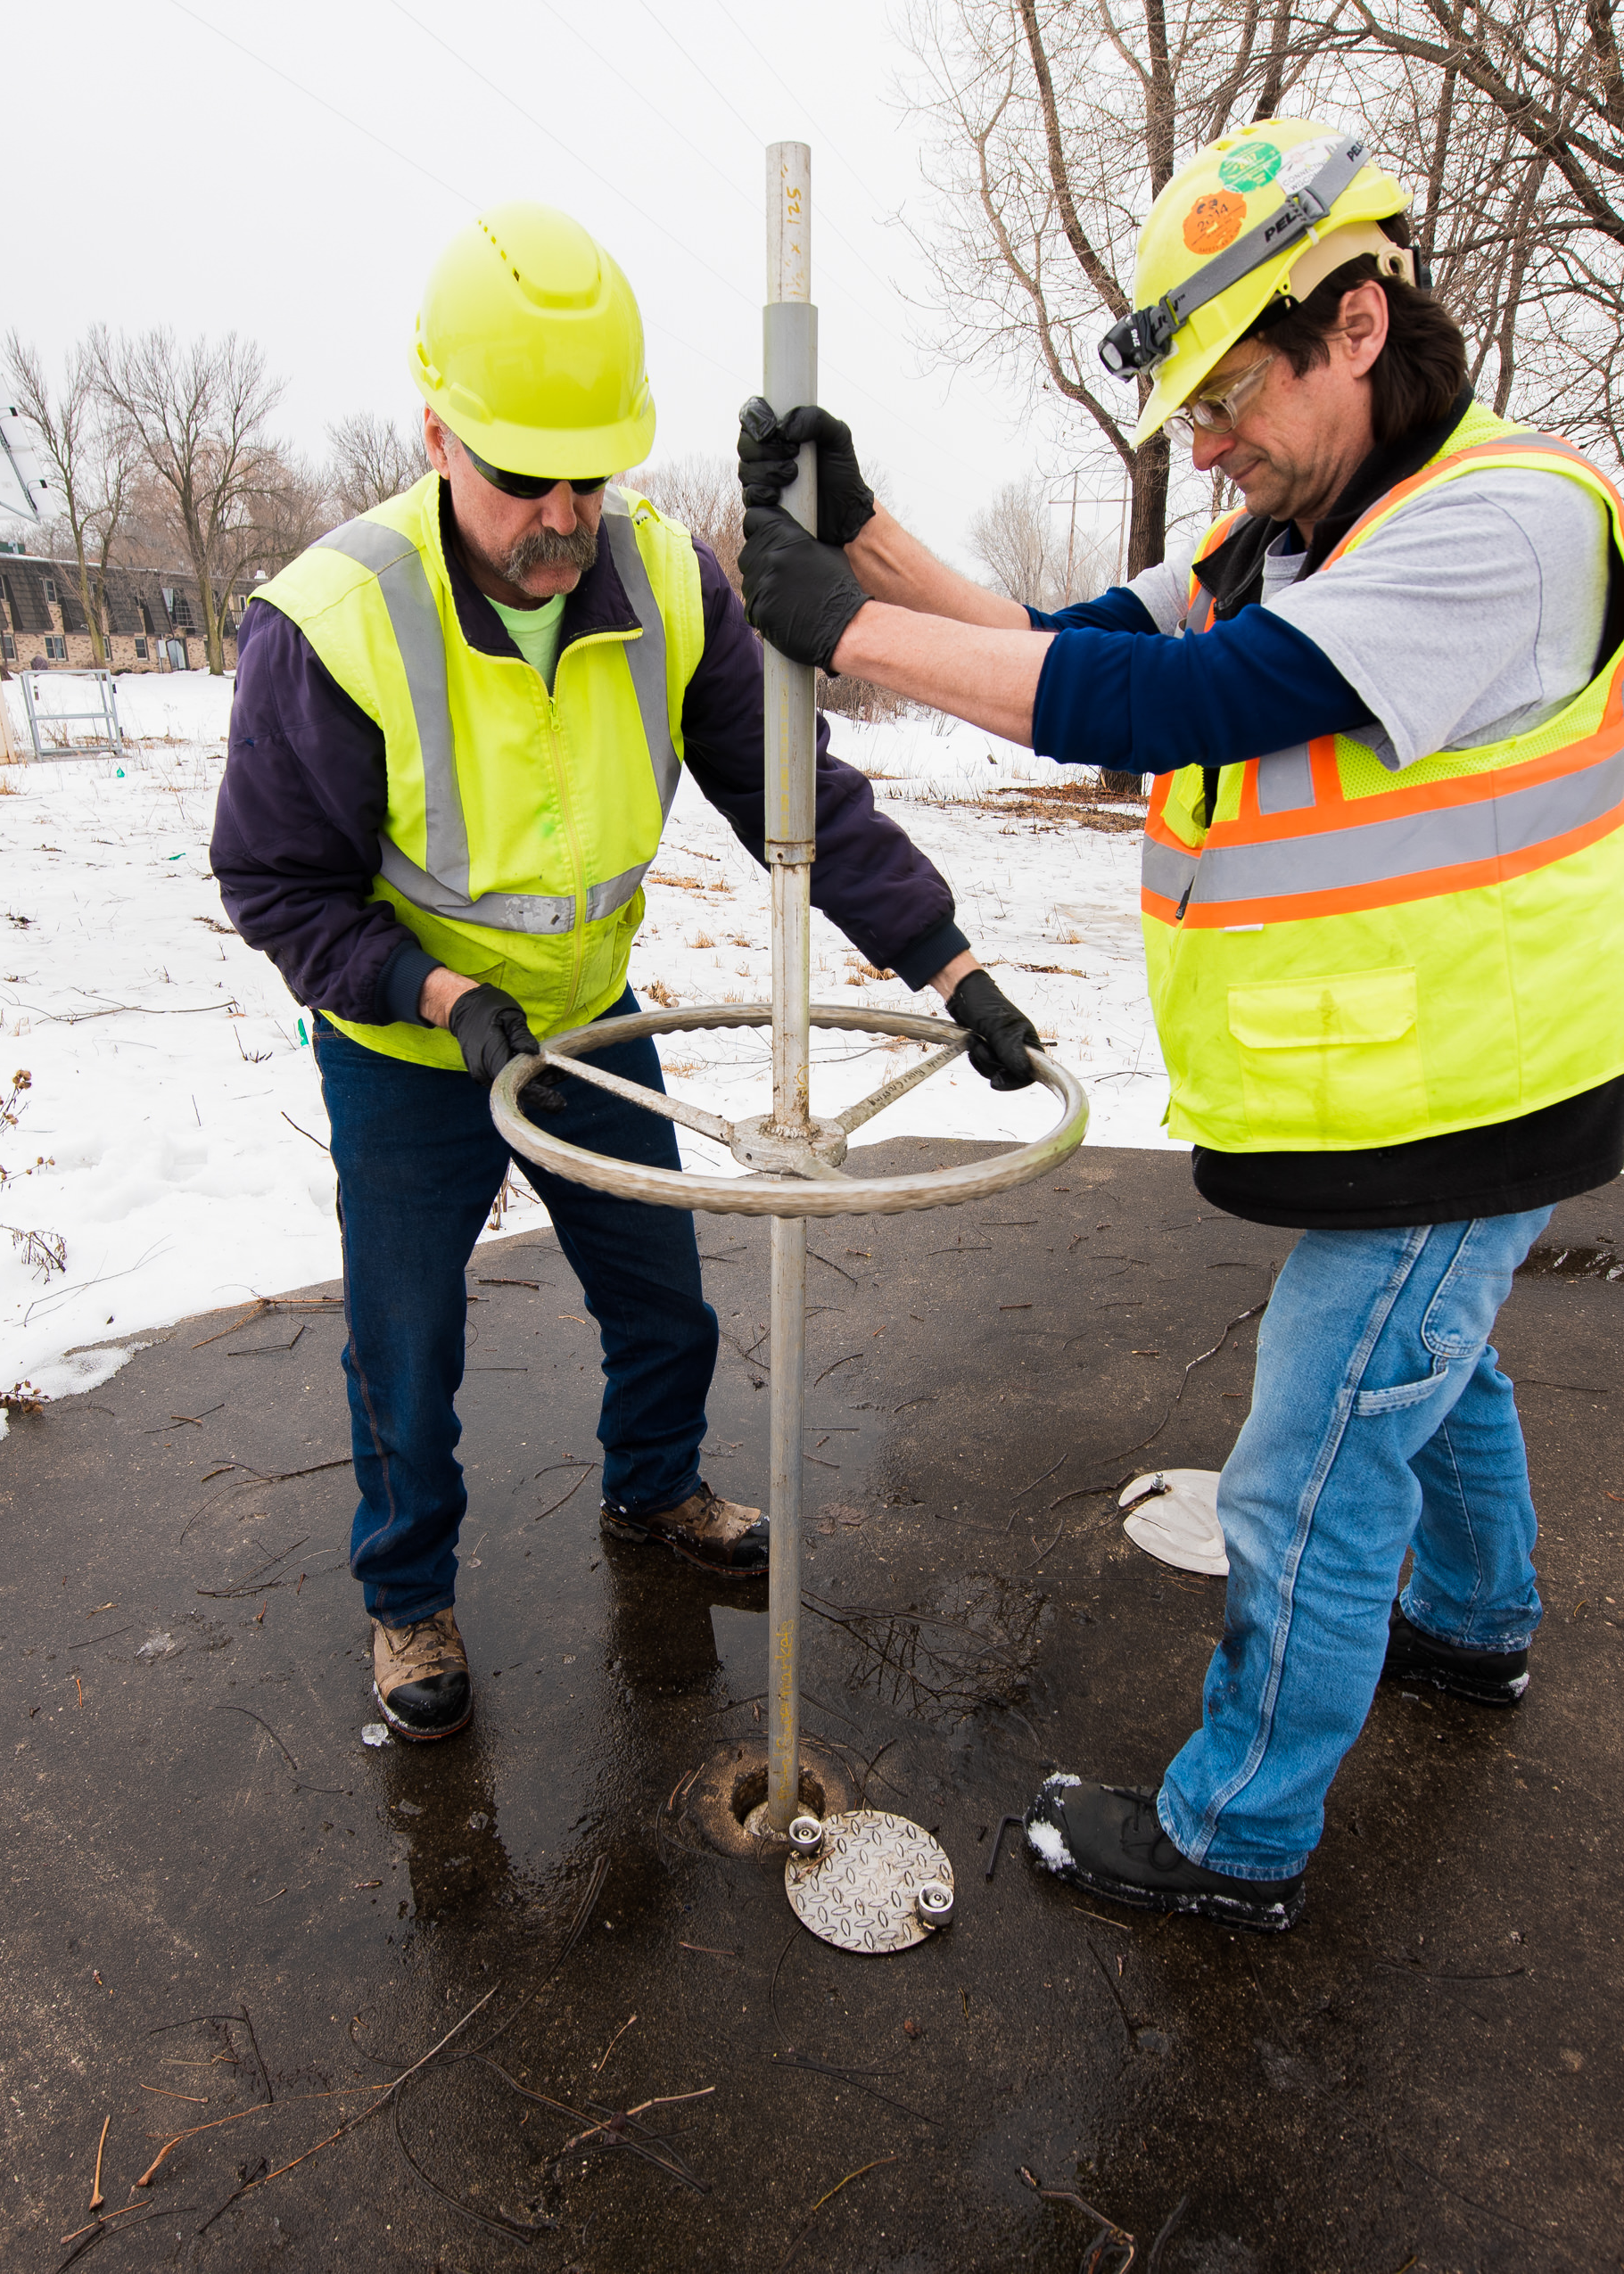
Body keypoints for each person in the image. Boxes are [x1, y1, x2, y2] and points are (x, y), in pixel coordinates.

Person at [734, 119, 1624, 1929]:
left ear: (1359, 325)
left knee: (1310, 1452)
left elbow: (1157, 707)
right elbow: (1059, 635)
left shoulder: (1504, 525)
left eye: (1228, 397)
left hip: (1471, 1084)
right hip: (1426, 1081)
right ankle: (1471, 1627)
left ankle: (1233, 1834)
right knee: (1429, 1363)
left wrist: (841, 627)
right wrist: (864, 535)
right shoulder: (1301, 529)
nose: (1207, 445)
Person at [212, 202, 1042, 1745]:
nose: (562, 511)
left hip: (588, 1017)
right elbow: (274, 882)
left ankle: (655, 1487)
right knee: (408, 1344)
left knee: (664, 1301)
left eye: (590, 472)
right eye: (524, 475)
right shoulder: (335, 623)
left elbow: (795, 792)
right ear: (439, 430)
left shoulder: (664, 585)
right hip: (412, 1047)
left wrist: (948, 963)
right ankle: (407, 1599)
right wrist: (436, 998)